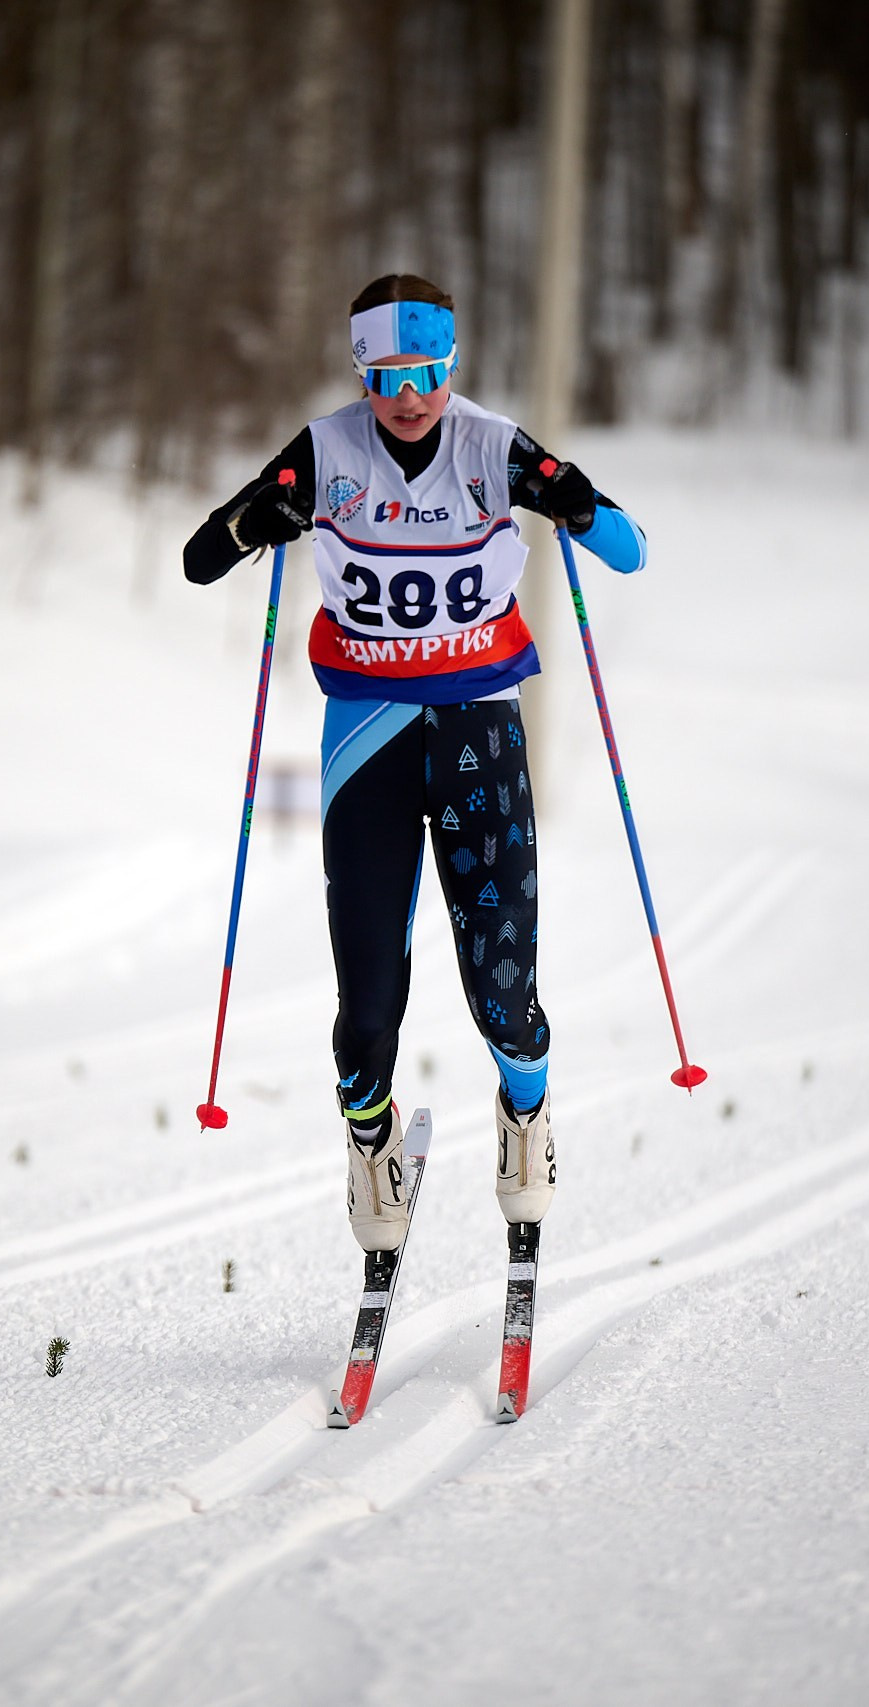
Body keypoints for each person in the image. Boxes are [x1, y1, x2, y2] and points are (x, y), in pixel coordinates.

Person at [182, 272, 648, 1254]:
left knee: (504, 987)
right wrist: (249, 525)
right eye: (386, 374)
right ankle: (370, 1142)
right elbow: (199, 558)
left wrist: (572, 501)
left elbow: (629, 551)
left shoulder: (490, 446)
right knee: (365, 1012)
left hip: (478, 726)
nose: (407, 394)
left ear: (451, 363)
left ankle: (525, 1117)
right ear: (361, 371)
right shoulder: (325, 452)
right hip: (369, 737)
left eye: (425, 370)